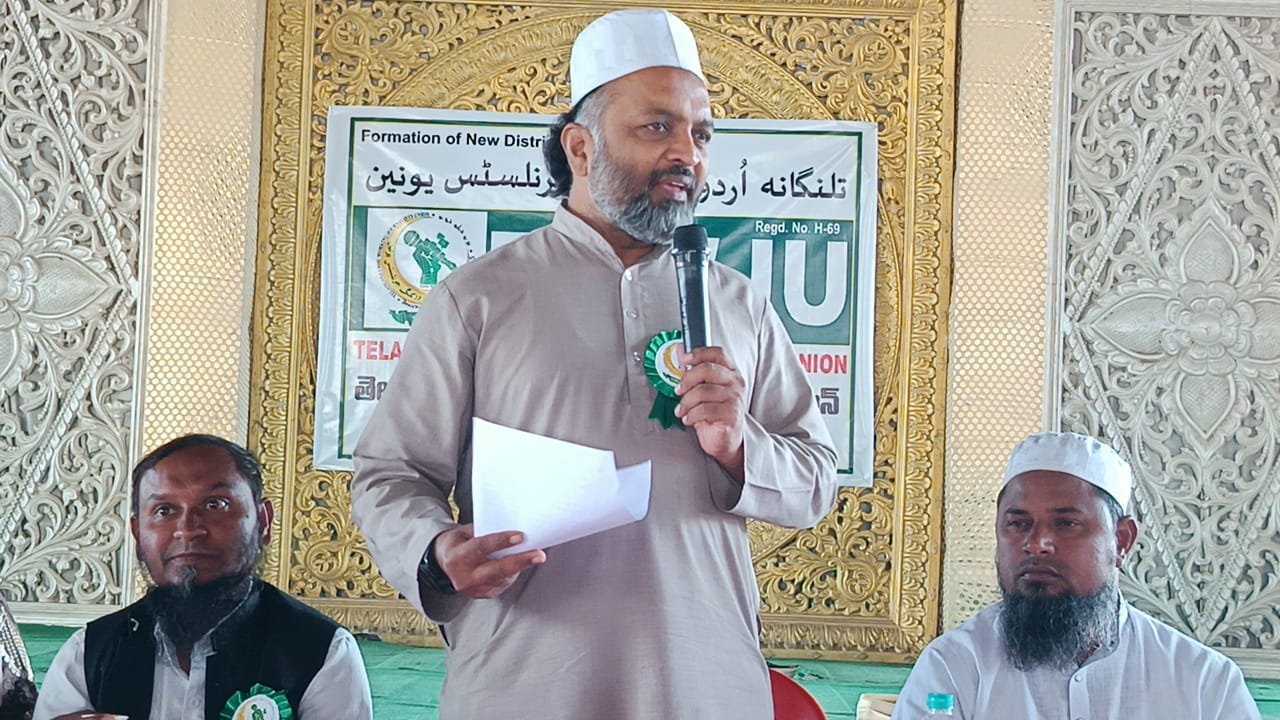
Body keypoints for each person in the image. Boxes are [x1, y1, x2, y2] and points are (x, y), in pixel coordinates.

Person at [351, 8, 838, 719]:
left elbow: (815, 479)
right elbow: (390, 474)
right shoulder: (479, 297)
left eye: (701, 134)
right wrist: (435, 550)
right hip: (527, 686)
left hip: (704, 686)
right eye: (657, 127)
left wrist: (740, 447)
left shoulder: (739, 303)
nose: (687, 155)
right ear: (581, 149)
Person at [891, 432, 1259, 720]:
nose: (1037, 544)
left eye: (1066, 524)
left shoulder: (1203, 683)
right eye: (1018, 524)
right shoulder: (954, 667)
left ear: (1122, 541)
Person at [35, 435, 373, 720]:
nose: (187, 530)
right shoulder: (89, 653)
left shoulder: (321, 652)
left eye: (215, 504)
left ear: (263, 522)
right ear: (137, 534)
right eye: (164, 511)